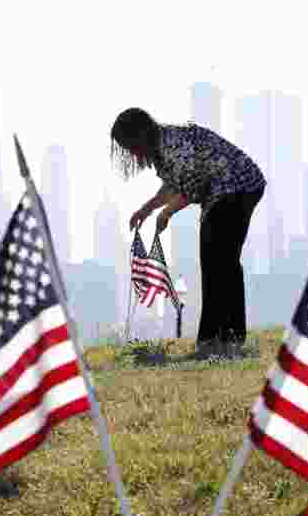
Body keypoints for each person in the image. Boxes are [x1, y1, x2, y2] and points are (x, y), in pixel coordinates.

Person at [110, 107, 266, 359]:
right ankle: (227, 339)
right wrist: (146, 210)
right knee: (223, 263)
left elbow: (193, 186)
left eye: (130, 146)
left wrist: (166, 213)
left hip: (235, 187)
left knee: (218, 262)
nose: (132, 155)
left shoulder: (172, 144)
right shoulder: (164, 149)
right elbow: (174, 184)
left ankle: (215, 342)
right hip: (229, 190)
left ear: (140, 137)